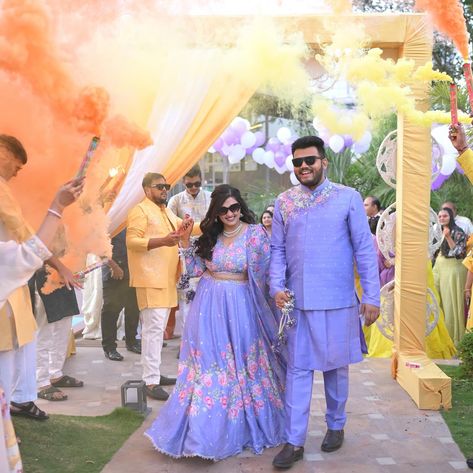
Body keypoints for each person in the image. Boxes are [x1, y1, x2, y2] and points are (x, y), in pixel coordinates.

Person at [145, 184, 285, 460]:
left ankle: (236, 428)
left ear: (240, 207)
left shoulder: (255, 235)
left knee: (241, 364)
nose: (230, 213)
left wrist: (278, 298)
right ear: (216, 212)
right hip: (208, 307)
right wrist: (185, 245)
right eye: (223, 209)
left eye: (234, 207)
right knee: (211, 366)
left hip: (243, 308)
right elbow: (196, 269)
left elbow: (270, 272)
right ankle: (201, 435)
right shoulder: (209, 236)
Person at [269, 136, 380, 469]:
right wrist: (276, 285)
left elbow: (364, 249)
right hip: (297, 303)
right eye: (298, 162)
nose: (304, 167)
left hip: (337, 300)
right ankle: (294, 441)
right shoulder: (284, 201)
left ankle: (336, 425)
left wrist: (372, 296)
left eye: (310, 161)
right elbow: (277, 250)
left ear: (324, 162)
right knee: (298, 371)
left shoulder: (347, 198)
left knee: (335, 369)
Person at [0, 176, 83, 473]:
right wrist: (56, 207)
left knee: (19, 359)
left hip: (16, 310)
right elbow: (29, 254)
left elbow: (27, 253)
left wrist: (58, 208)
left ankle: (17, 407)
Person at [126, 172, 192, 401]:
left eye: (166, 186)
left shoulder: (165, 212)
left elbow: (184, 229)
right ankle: (150, 381)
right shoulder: (140, 210)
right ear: (146, 190)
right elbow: (132, 241)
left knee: (158, 331)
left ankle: (152, 374)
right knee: (153, 331)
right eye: (159, 186)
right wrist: (162, 241)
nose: (164, 189)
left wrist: (202, 223)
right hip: (149, 279)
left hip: (166, 280)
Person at [166, 165, 210, 339]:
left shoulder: (210, 197)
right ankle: (186, 343)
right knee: (186, 299)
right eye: (189, 184)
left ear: (201, 179)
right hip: (184, 256)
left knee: (206, 298)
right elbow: (169, 226)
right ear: (183, 181)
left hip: (207, 253)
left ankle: (204, 341)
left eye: (197, 184)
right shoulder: (175, 201)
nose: (193, 188)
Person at [101, 228, 140, 361]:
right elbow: (99, 247)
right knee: (111, 311)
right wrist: (113, 266)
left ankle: (132, 341)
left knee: (133, 309)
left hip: (133, 270)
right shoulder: (112, 217)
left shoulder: (133, 218)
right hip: (114, 272)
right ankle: (109, 348)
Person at [433, 207, 467, 345]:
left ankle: (453, 339)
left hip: (453, 268)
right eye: (440, 216)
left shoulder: (458, 232)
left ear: (451, 217)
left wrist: (448, 237)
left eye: (445, 216)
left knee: (450, 303)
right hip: (439, 266)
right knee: (435, 297)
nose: (442, 219)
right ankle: (440, 336)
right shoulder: (437, 230)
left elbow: (459, 254)